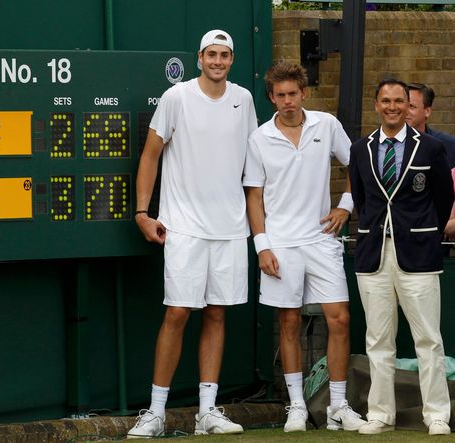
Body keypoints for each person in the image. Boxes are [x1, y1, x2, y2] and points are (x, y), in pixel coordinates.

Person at [128, 29, 257, 438]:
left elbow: (255, 163)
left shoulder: (244, 100)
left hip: (230, 228)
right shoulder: (177, 97)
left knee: (217, 313)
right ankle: (156, 412)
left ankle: (206, 412)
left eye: (225, 55)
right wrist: (142, 213)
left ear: (231, 60)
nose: (218, 61)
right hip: (183, 226)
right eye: (211, 55)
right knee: (178, 313)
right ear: (199, 58)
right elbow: (151, 155)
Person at [243, 61, 367, 433]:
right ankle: (296, 405)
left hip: (322, 240)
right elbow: (254, 196)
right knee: (288, 321)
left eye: (292, 94)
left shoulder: (326, 125)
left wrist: (344, 208)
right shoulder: (259, 138)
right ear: (271, 98)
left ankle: (338, 406)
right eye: (280, 96)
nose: (287, 101)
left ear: (304, 93)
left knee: (340, 319)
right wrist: (262, 246)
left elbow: (358, 169)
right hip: (280, 244)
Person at [349, 78, 454, 436]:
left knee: (428, 338)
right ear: (376, 104)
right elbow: (363, 201)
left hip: (419, 254)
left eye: (400, 101)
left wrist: (423, 231)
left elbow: (442, 199)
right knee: (378, 339)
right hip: (373, 253)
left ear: (409, 107)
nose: (393, 107)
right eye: (386, 101)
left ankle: (436, 414)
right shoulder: (361, 148)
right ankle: (380, 414)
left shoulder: (431, 148)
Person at [406, 83, 455, 168]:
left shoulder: (449, 146)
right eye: (403, 105)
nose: (405, 111)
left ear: (427, 111)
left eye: (411, 106)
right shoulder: (385, 144)